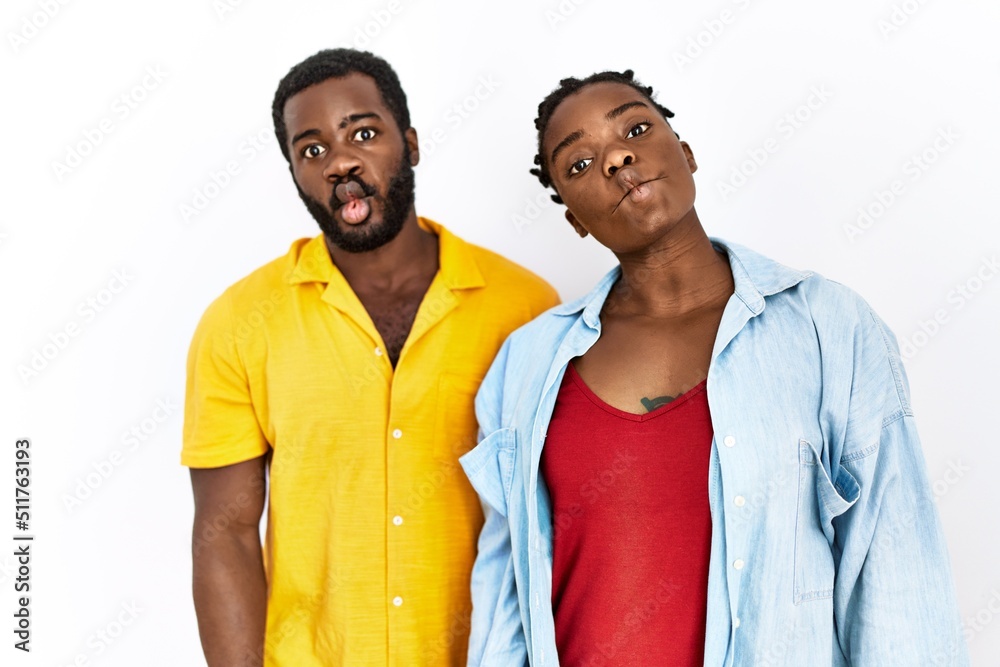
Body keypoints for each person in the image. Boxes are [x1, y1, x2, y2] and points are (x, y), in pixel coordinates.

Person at [460, 69, 970, 666]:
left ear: (687, 153)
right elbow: (506, 600)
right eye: (578, 164)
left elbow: (895, 569)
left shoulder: (828, 327)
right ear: (573, 216)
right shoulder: (526, 363)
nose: (618, 156)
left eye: (637, 127)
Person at [181, 48, 558, 667]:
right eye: (312, 150)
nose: (340, 162)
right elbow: (224, 532)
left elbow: (557, 512)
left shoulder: (525, 308)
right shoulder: (239, 324)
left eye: (363, 133)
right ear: (296, 174)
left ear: (409, 143)